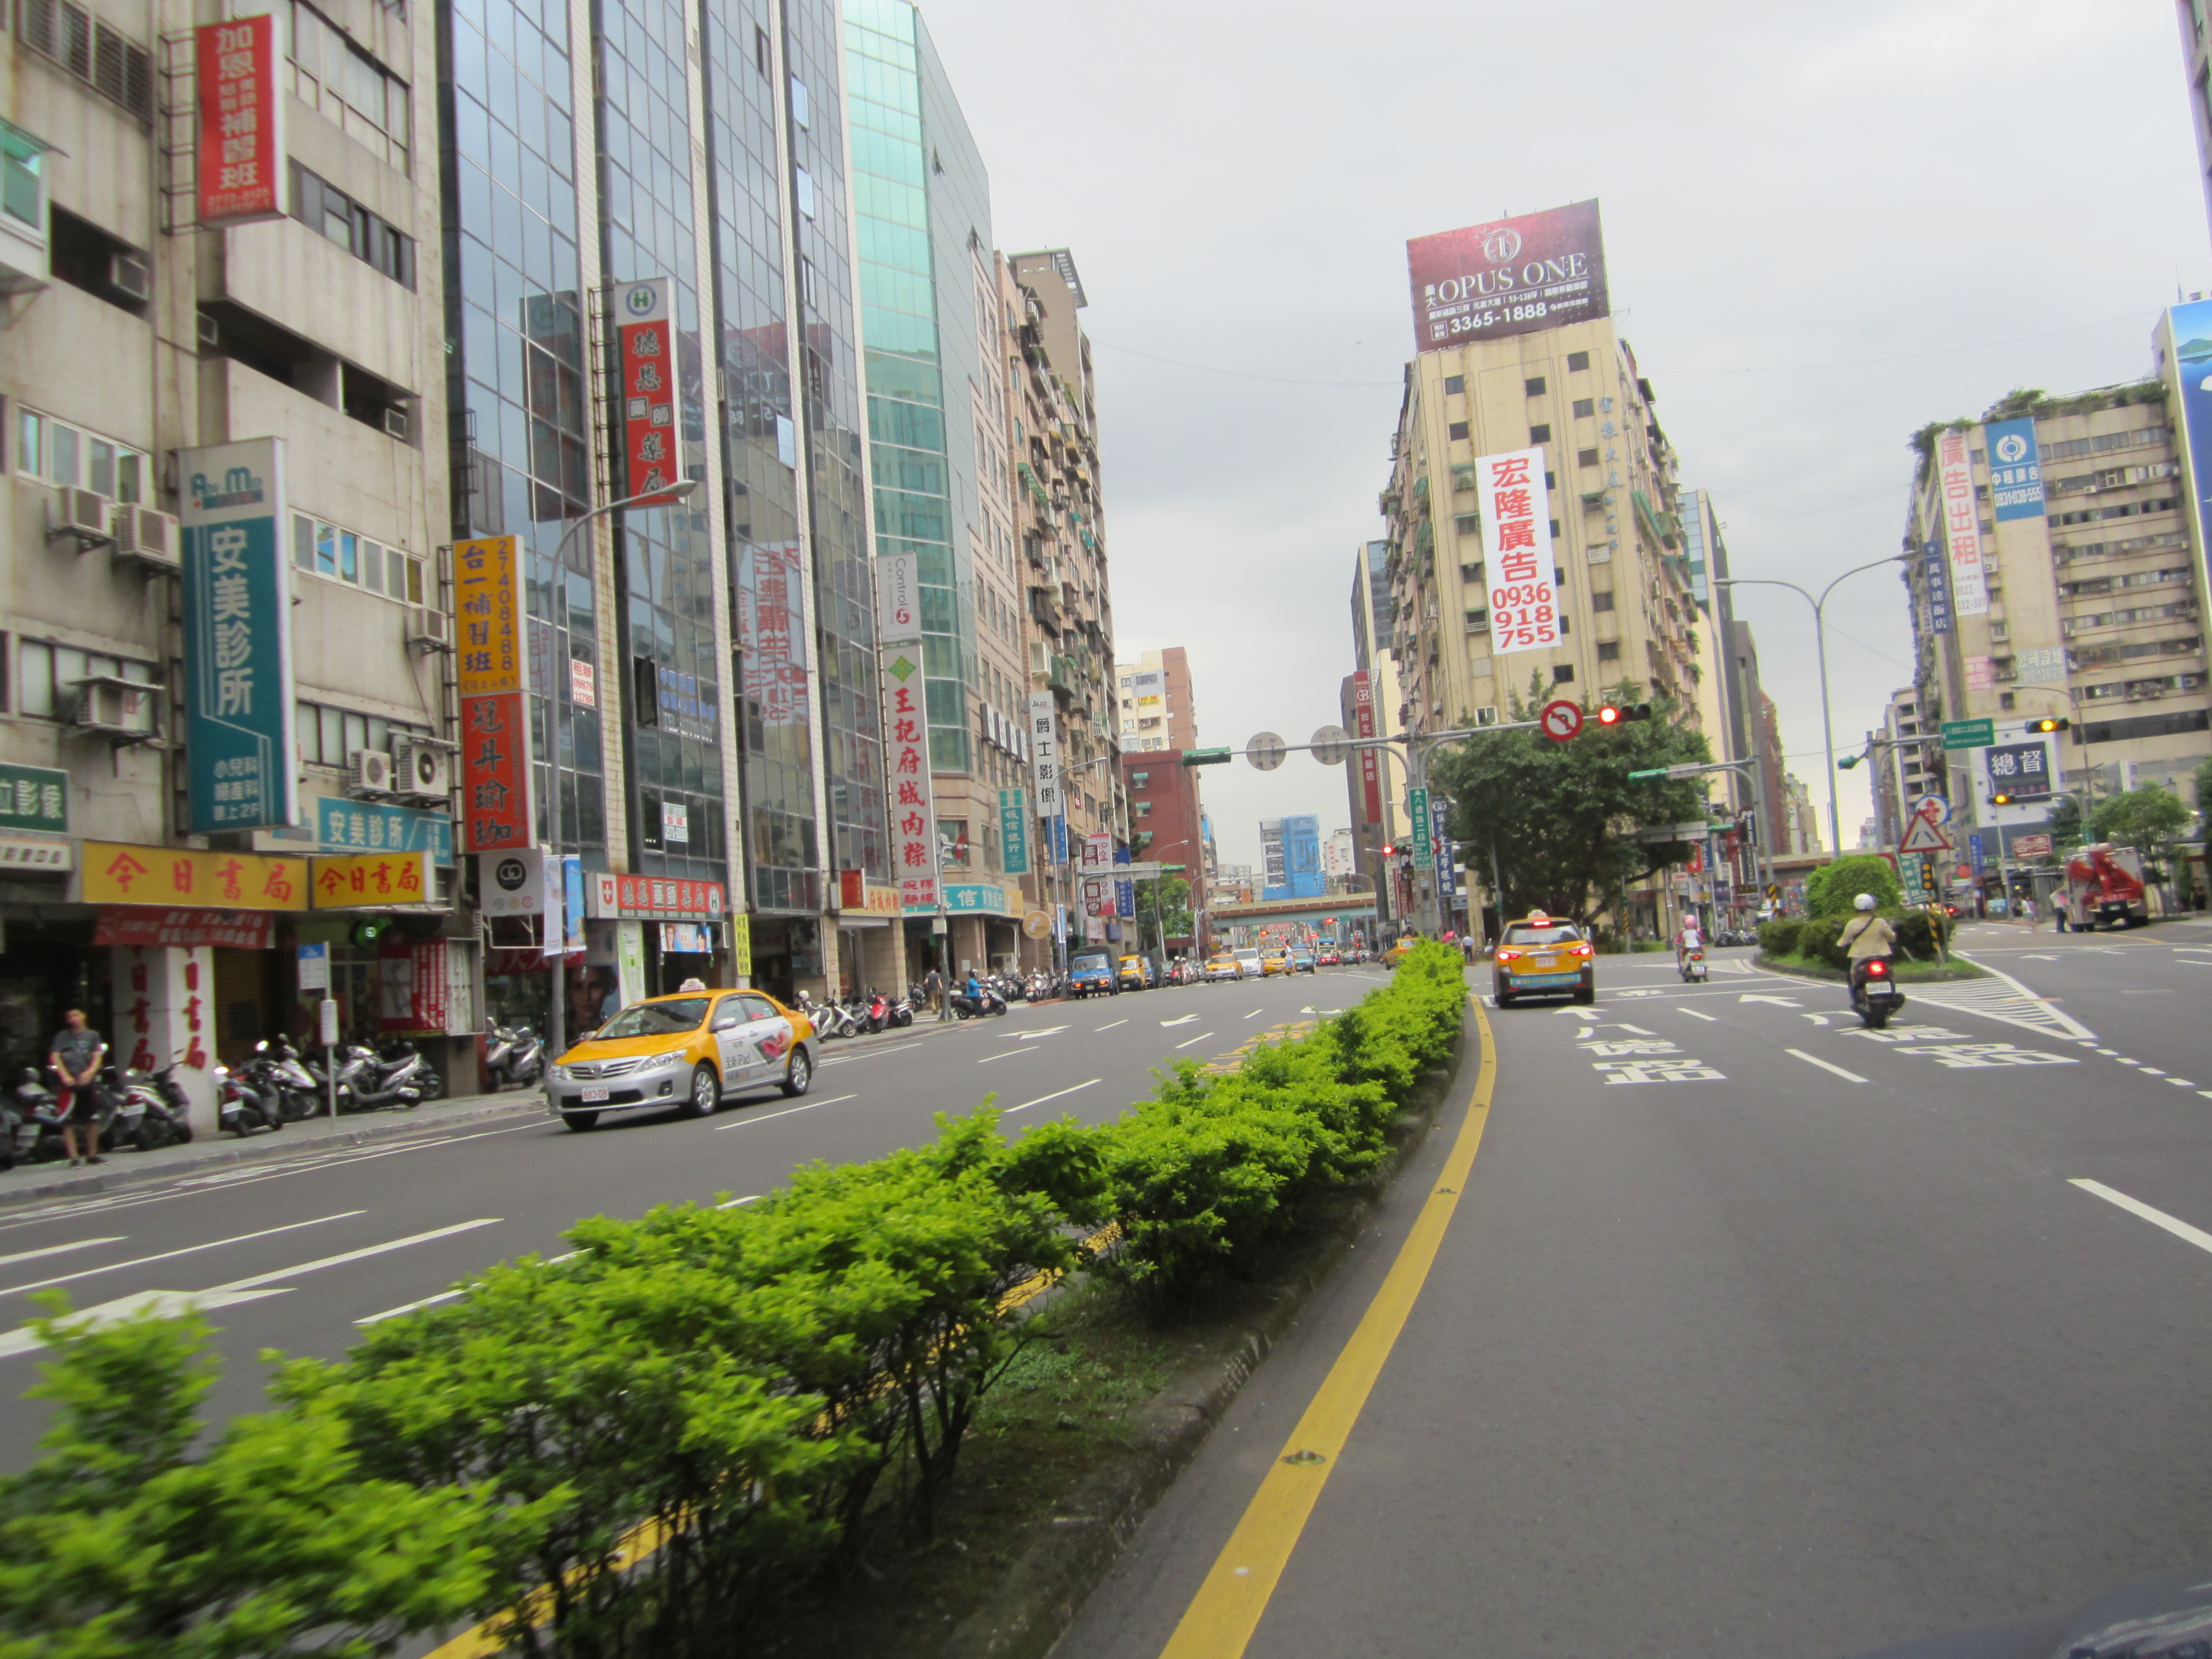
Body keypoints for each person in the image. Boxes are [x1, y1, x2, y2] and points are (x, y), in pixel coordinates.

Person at [47, 1008, 107, 1167]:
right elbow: (55, 1056)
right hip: (69, 1085)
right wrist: (65, 1076)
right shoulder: (63, 1036)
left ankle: (92, 1155)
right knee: (68, 1122)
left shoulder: (92, 1035)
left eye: (76, 1015)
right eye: (70, 1016)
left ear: (83, 1016)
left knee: (92, 1119)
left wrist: (89, 1073)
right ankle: (74, 1157)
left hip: (87, 1083)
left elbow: (97, 1056)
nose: (73, 1019)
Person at [1837, 894, 1897, 1001]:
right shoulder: (1880, 922)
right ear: (1873, 906)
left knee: (1854, 977)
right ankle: (1892, 994)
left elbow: (1843, 942)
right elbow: (1892, 938)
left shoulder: (1852, 924)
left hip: (1860, 958)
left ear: (1856, 907)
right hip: (1881, 956)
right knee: (1890, 975)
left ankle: (1857, 998)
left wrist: (1839, 944)